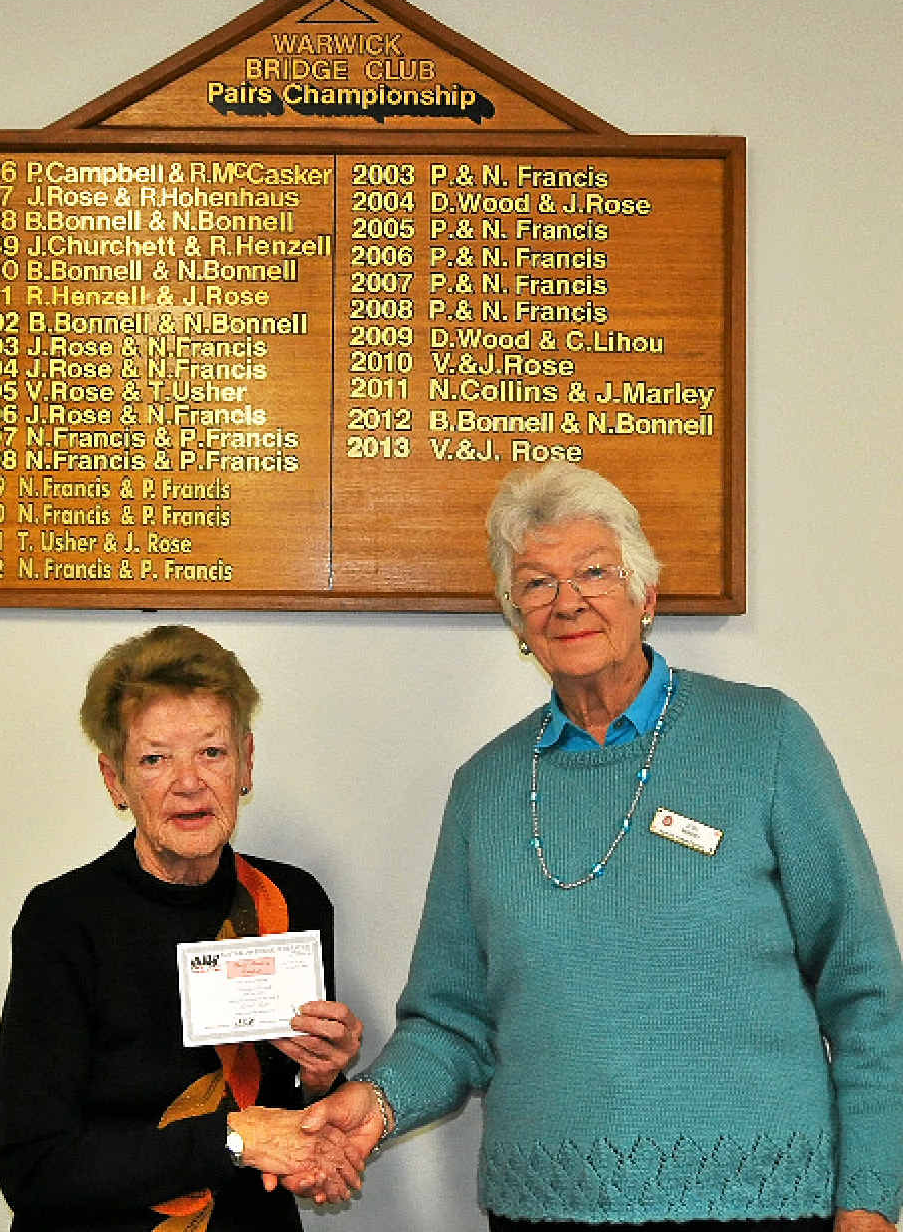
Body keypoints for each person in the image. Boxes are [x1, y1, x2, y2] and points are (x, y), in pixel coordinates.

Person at [296, 464, 903, 1232]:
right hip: (543, 1209)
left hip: (759, 1207)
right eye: (537, 583)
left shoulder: (765, 739)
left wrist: (869, 1199)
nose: (568, 600)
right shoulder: (485, 788)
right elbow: (452, 1022)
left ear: (646, 596)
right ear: (518, 621)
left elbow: (865, 987)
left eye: (593, 572)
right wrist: (379, 1102)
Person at [0, 625, 365, 1232]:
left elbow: (289, 1122)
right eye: (155, 759)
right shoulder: (62, 920)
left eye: (211, 752)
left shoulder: (291, 900)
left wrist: (319, 1078)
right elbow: (34, 1170)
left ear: (246, 761)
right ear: (115, 780)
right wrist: (232, 1137)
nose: (189, 782)